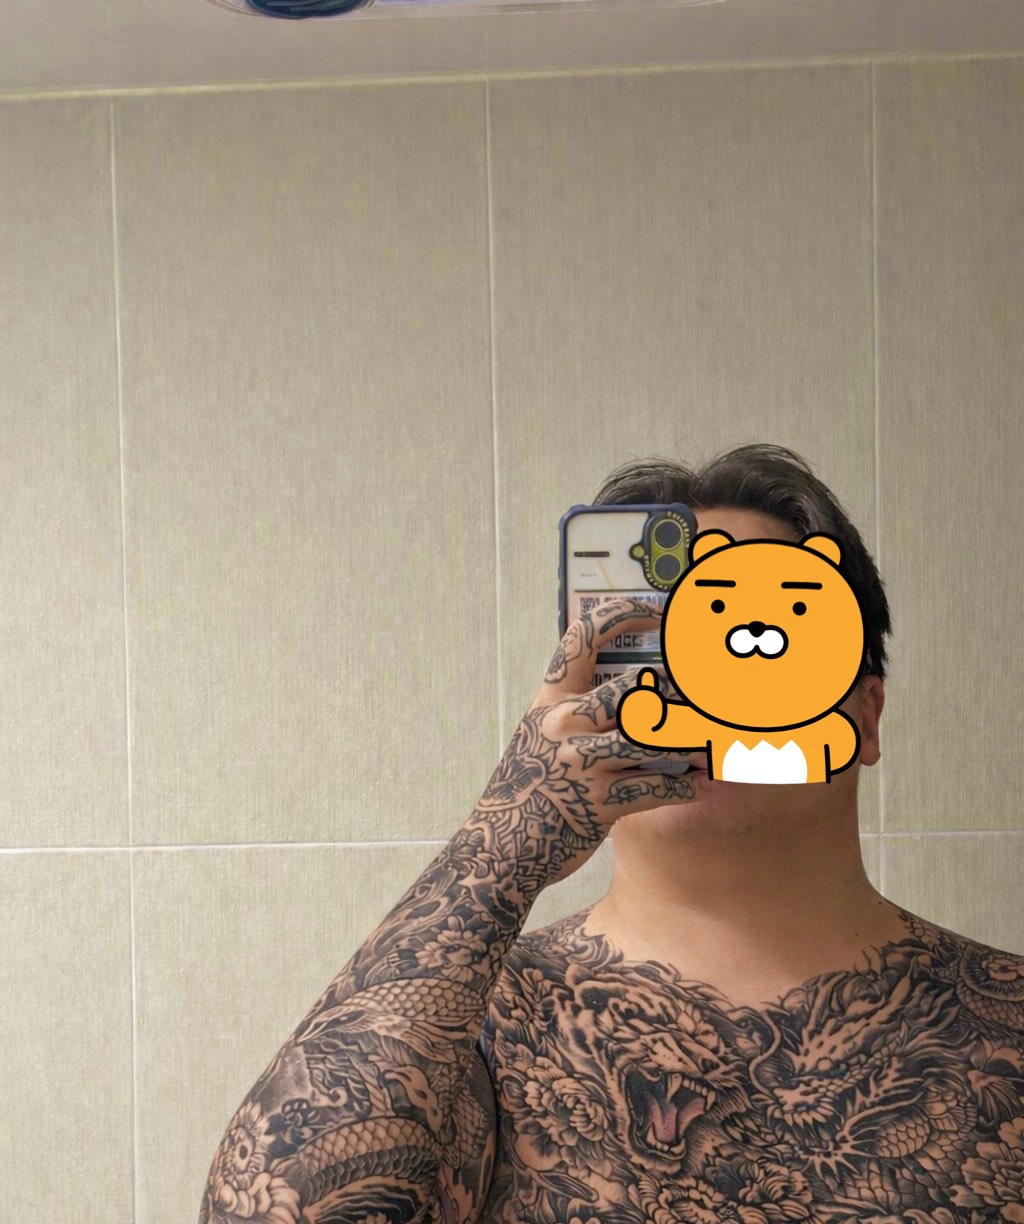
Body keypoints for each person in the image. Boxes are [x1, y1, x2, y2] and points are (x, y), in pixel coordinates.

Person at [199, 443, 1024, 1224]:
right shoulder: (471, 1033)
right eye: (659, 647)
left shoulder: (1007, 1027)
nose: (706, 683)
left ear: (864, 714)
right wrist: (502, 843)